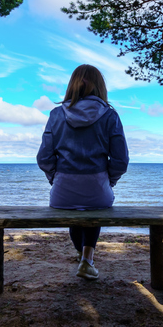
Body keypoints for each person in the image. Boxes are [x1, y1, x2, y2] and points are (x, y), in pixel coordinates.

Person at [36, 64, 129, 280]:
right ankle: (87, 260)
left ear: (72, 85)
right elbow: (120, 160)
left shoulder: (56, 115)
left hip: (63, 192)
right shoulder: (110, 116)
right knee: (93, 209)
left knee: (74, 210)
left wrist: (55, 178)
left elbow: (44, 158)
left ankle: (82, 255)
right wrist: (109, 181)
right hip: (98, 190)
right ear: (100, 87)